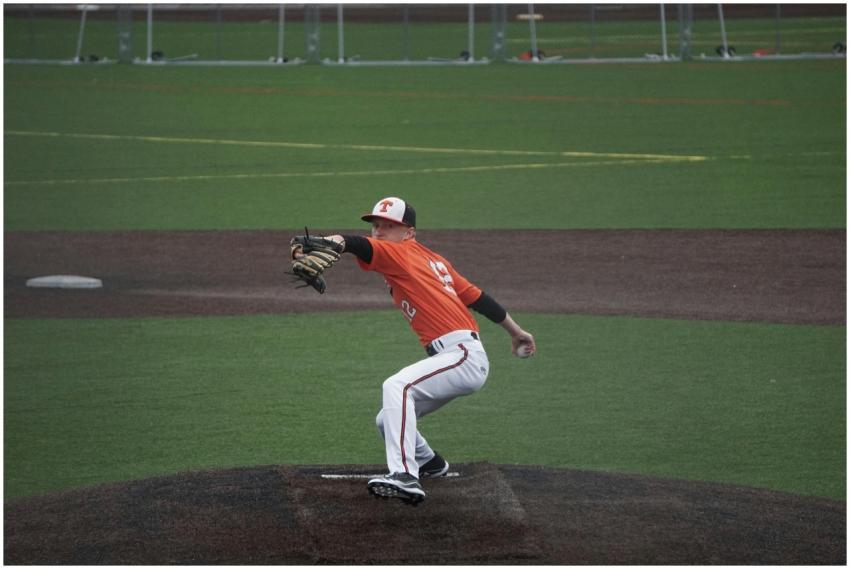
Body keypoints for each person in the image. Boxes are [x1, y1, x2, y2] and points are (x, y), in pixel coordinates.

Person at [295, 196, 535, 505]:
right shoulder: (434, 261)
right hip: (457, 357)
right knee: (387, 419)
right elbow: (477, 298)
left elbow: (356, 244)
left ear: (408, 232)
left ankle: (405, 476)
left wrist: (332, 241)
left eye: (388, 226)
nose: (379, 232)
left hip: (461, 355)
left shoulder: (400, 253)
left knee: (397, 385)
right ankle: (430, 464)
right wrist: (516, 332)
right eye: (376, 225)